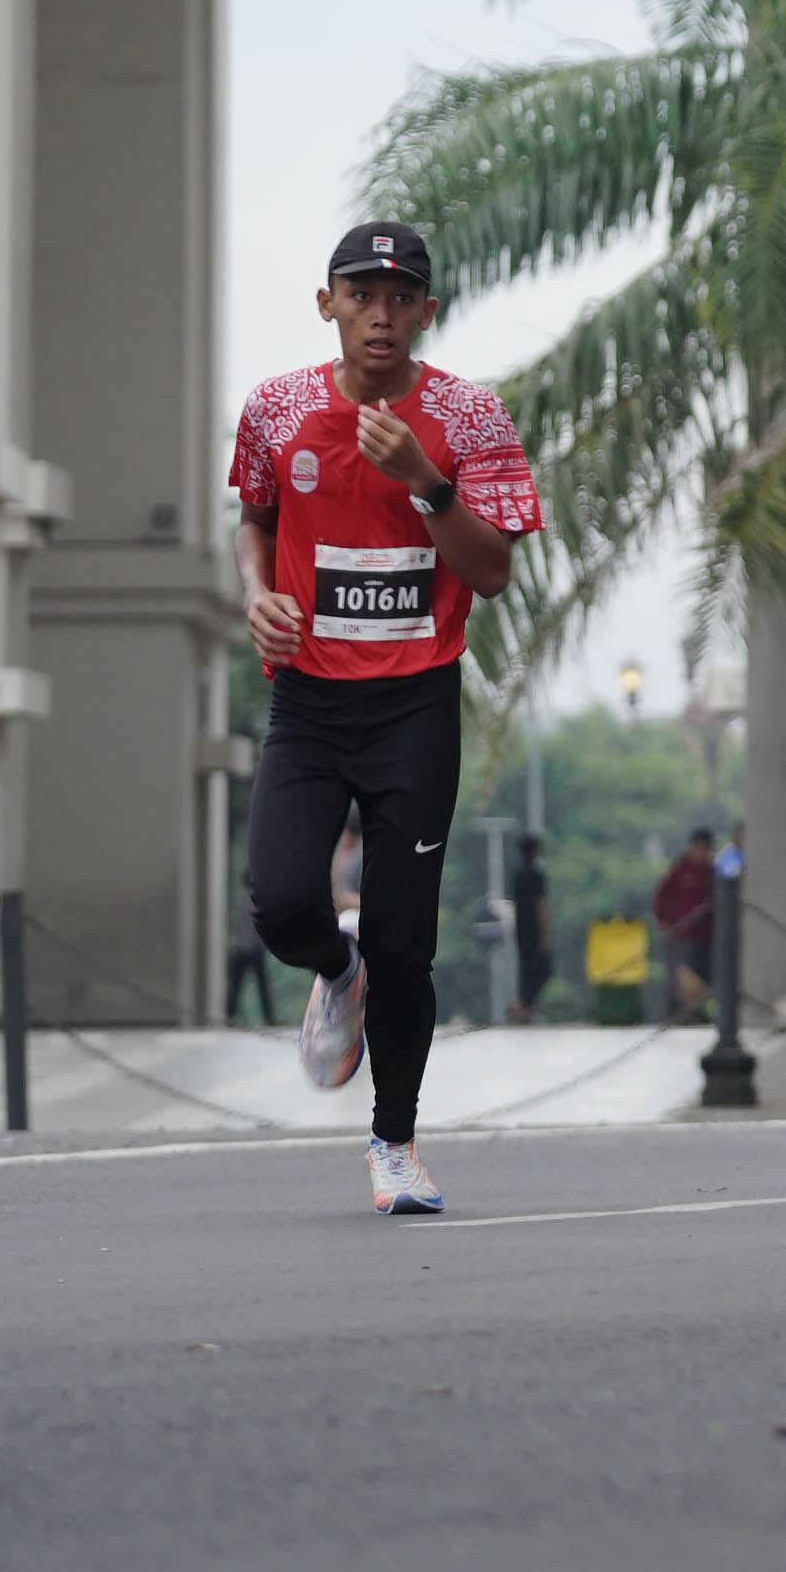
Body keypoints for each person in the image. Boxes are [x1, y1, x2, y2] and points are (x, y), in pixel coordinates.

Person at [231, 219, 541, 1214]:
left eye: (401, 297)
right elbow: (256, 521)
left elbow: (490, 573)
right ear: (327, 304)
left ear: (427, 312)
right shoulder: (276, 409)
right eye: (361, 295)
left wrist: (425, 481)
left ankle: (395, 1144)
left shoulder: (469, 415)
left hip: (415, 701)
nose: (380, 314)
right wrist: (256, 596)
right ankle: (337, 968)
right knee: (283, 903)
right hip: (311, 701)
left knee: (407, 941)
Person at [654, 828, 718, 1021]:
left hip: (707, 936)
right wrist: (665, 923)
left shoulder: (713, 873)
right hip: (682, 936)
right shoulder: (679, 869)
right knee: (679, 979)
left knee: (703, 978)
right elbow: (661, 897)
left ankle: (698, 1017)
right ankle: (676, 1018)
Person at [510, 828, 554, 1020]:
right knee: (544, 969)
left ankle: (522, 1004)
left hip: (520, 928)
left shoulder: (517, 874)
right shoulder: (536, 875)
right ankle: (522, 1005)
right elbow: (540, 905)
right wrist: (545, 934)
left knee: (526, 969)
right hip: (535, 930)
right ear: (535, 850)